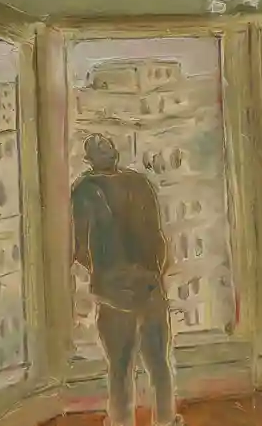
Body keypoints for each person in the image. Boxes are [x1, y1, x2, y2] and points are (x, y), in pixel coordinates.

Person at [71, 134, 184, 426]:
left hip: (114, 291)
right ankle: (166, 420)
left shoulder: (84, 190)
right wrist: (152, 272)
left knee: (120, 367)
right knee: (159, 363)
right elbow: (157, 237)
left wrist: (103, 272)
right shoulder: (140, 183)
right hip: (149, 286)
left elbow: (79, 248)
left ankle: (121, 423)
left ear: (89, 160)